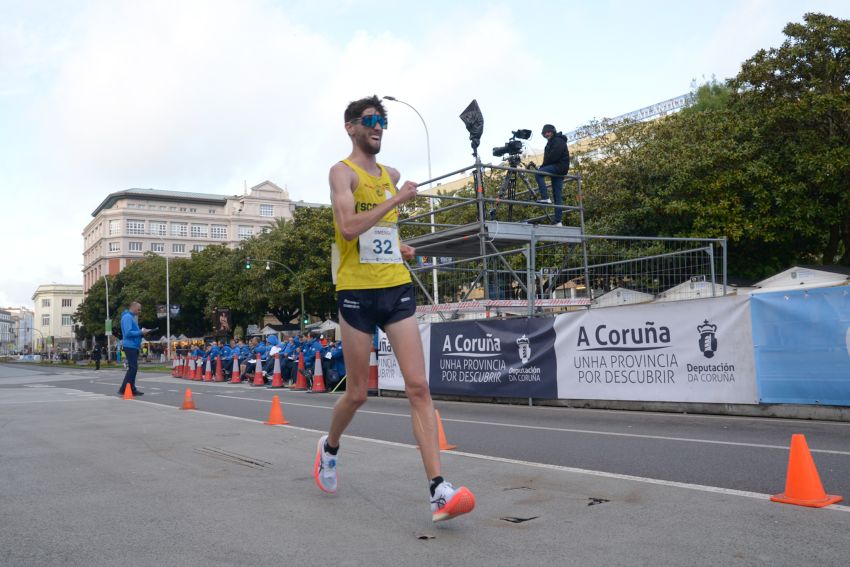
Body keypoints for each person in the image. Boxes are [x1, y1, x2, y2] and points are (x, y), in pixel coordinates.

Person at [314, 95, 475, 522]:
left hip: (396, 290)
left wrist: (400, 246)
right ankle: (329, 448)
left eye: (382, 120)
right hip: (356, 294)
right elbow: (348, 229)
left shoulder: (391, 174)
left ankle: (438, 490)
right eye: (369, 120)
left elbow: (378, 232)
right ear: (350, 127)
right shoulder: (342, 173)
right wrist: (397, 201)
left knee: (418, 387)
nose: (378, 126)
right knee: (357, 393)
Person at [534, 124, 570, 227]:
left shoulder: (558, 141)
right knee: (557, 195)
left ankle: (545, 197)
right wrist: (543, 167)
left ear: (553, 132)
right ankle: (558, 221)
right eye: (545, 133)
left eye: (548, 132)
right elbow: (547, 159)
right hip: (558, 168)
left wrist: (542, 168)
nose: (547, 134)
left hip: (559, 167)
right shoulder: (549, 143)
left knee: (538, 174)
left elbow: (554, 157)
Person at [117, 301, 150, 396]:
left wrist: (141, 332)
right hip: (130, 345)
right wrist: (141, 332)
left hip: (133, 345)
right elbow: (128, 333)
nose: (139, 311)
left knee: (133, 368)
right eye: (139, 309)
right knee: (133, 368)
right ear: (134, 308)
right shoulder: (127, 317)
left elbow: (131, 332)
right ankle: (125, 389)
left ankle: (129, 388)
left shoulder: (130, 317)